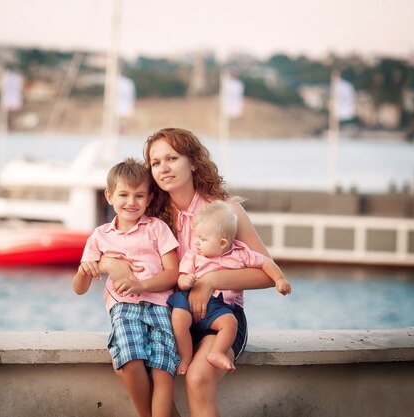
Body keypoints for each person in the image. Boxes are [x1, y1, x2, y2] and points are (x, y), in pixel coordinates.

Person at [99, 127, 284, 417]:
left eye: (172, 158)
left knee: (198, 379)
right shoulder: (150, 214)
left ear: (193, 162)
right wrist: (109, 264)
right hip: (171, 317)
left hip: (220, 317)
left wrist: (211, 280)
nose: (163, 168)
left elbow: (267, 273)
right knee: (132, 365)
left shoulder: (226, 210)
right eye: (156, 163)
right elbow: (102, 248)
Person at [72, 157, 181, 417]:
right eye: (123, 194)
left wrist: (140, 284)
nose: (131, 202)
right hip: (124, 308)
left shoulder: (157, 228)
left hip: (160, 307)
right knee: (130, 360)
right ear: (109, 196)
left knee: (163, 370)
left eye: (139, 195)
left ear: (150, 198)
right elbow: (79, 288)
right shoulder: (100, 237)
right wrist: (84, 270)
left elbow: (174, 273)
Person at [168, 200, 291, 375]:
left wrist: (280, 279)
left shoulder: (240, 254)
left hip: (219, 305)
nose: (196, 242)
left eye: (202, 239)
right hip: (190, 300)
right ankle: (185, 357)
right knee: (178, 318)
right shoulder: (193, 255)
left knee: (230, 323)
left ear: (223, 243)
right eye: (196, 236)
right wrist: (185, 281)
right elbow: (181, 278)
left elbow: (265, 262)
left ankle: (217, 352)